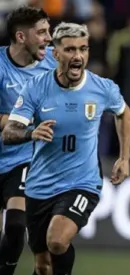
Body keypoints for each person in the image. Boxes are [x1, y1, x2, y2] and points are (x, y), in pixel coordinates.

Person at [2, 22, 130, 275]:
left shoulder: (102, 88)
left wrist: (124, 157)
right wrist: (31, 132)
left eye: (83, 49)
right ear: (56, 54)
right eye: (70, 49)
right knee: (42, 266)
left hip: (82, 183)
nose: (78, 56)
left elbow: (123, 112)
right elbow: (9, 133)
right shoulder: (36, 88)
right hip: (39, 186)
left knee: (58, 240)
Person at [0, 6, 55, 275]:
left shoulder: (54, 64)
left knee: (15, 226)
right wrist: (22, 122)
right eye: (42, 32)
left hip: (23, 158)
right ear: (21, 37)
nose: (49, 38)